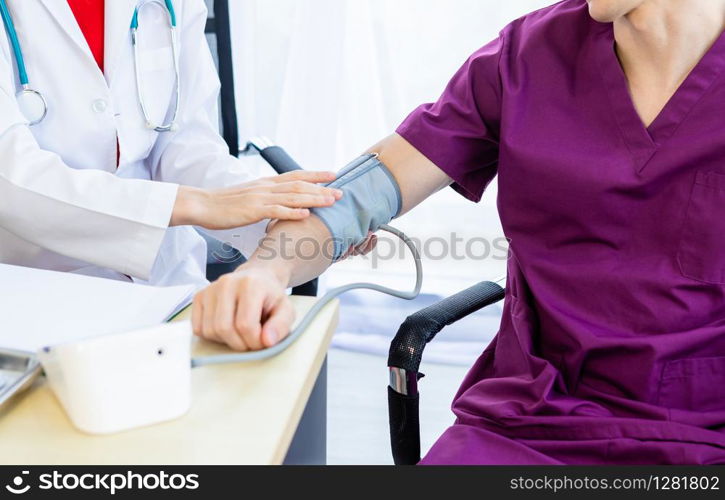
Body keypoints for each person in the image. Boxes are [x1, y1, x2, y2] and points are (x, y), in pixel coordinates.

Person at [193, 0, 725, 464]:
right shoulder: (527, 57)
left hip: (702, 429)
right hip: (531, 420)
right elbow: (362, 193)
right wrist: (267, 270)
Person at [0, 0, 342, 287]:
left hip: (168, 283)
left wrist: (280, 217)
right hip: (36, 287)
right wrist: (195, 204)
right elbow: (12, 181)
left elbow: (184, 142)